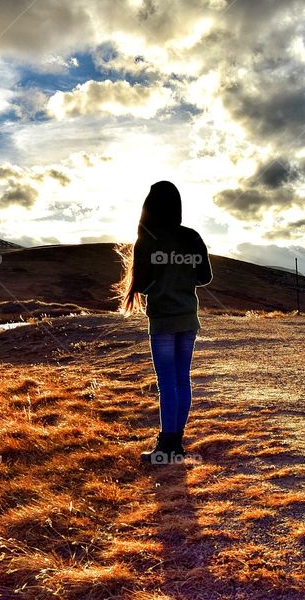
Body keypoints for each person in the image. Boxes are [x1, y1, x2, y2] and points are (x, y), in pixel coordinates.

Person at [117, 181, 213, 465]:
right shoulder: (192, 237)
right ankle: (176, 444)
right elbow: (204, 277)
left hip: (162, 321)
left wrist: (163, 278)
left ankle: (167, 446)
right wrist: (182, 276)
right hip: (188, 319)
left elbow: (144, 284)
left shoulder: (147, 238)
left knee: (166, 382)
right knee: (182, 380)